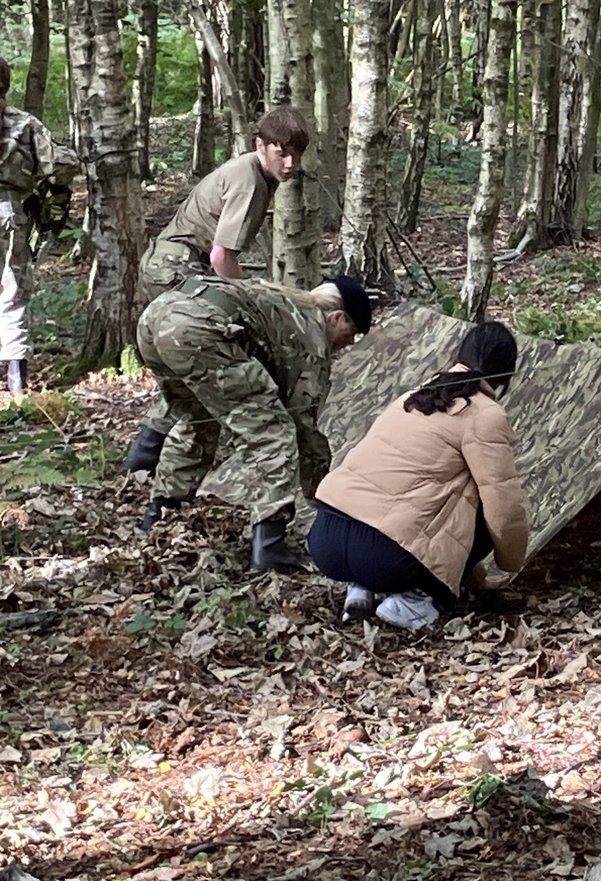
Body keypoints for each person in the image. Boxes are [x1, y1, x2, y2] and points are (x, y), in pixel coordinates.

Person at [136, 274, 371, 572]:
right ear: (337, 317)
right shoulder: (310, 332)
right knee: (274, 433)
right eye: (351, 334)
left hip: (156, 318)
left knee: (197, 421)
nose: (346, 345)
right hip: (197, 330)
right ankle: (269, 546)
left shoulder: (282, 300)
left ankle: (158, 516)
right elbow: (303, 426)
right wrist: (327, 499)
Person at [308, 321, 529, 630]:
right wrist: (512, 564)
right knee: (486, 503)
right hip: (382, 556)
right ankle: (414, 601)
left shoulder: (413, 397)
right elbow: (503, 507)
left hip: (325, 538)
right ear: (506, 373)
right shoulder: (483, 414)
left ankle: (360, 589)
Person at [123, 106, 309, 470]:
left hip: (170, 262)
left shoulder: (251, 171)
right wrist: (249, 300)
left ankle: (146, 457)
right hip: (178, 268)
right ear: (261, 145)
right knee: (207, 359)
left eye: (296, 154)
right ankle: (167, 459)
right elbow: (222, 257)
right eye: (281, 152)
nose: (290, 163)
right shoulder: (250, 180)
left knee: (185, 372)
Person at [0, 56, 80, 397]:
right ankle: (16, 382)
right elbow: (60, 166)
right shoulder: (22, 123)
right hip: (7, 211)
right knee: (11, 293)